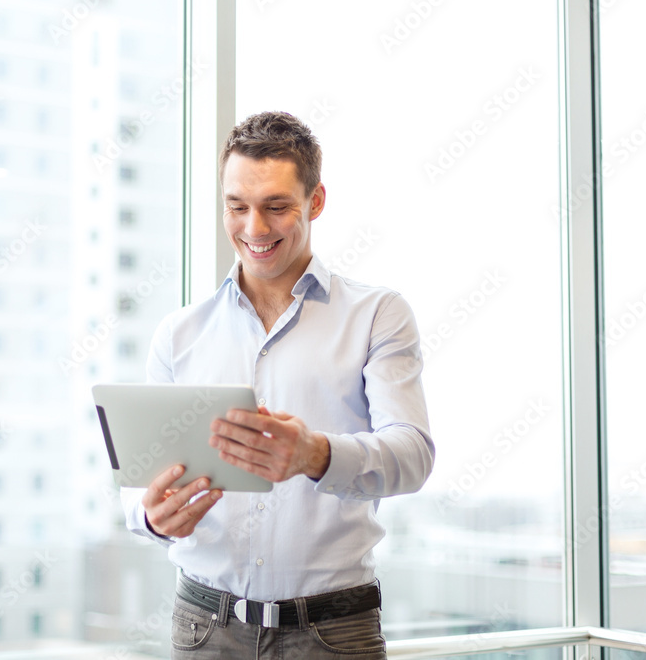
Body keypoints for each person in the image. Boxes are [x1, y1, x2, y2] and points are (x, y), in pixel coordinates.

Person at [121, 111, 434, 659]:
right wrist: (150, 516)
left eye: (276, 207)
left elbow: (413, 455)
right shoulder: (179, 334)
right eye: (237, 207)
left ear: (315, 202)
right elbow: (143, 478)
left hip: (332, 632)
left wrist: (316, 454)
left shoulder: (377, 314)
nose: (255, 229)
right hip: (204, 626)